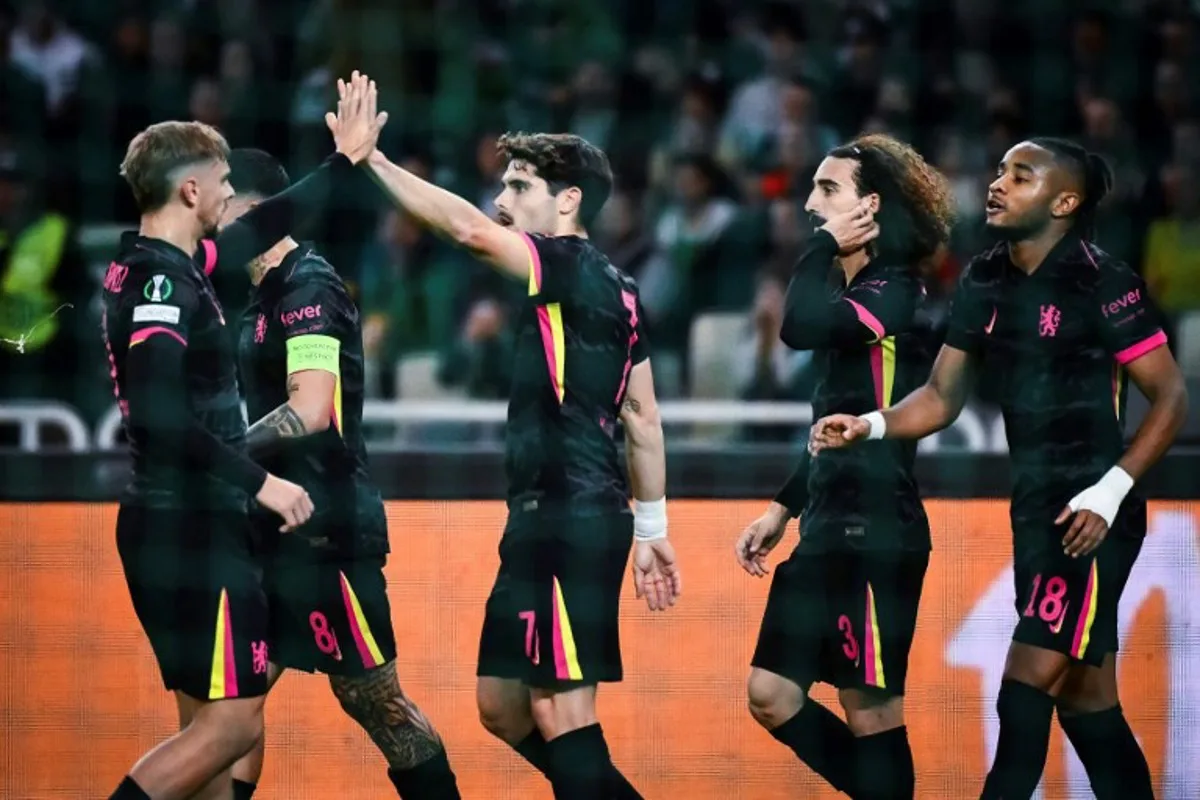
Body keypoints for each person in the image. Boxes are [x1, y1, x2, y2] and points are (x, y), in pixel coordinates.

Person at [811, 138, 1190, 800]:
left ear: (1064, 202)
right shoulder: (985, 276)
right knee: (1085, 700)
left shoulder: (1102, 281)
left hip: (1092, 517)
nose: (997, 183)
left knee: (1022, 691)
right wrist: (871, 424)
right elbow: (940, 398)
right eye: (999, 171)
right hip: (1032, 509)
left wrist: (1111, 491)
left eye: (1021, 175)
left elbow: (1171, 398)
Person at [340, 108, 682, 797]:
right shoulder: (621, 286)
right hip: (556, 515)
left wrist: (373, 161)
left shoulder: (564, 263)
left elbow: (466, 230)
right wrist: (651, 529)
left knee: (561, 709)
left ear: (569, 200)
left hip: (567, 513)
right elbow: (642, 416)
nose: (502, 201)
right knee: (501, 705)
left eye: (518, 185)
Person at [101, 72, 385, 800]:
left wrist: (347, 162)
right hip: (190, 527)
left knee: (209, 737)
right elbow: (160, 414)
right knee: (232, 728)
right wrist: (263, 481)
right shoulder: (161, 285)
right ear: (191, 191)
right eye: (223, 182)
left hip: (175, 524)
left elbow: (273, 218)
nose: (232, 198)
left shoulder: (174, 265)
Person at [218, 145, 461, 800]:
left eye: (219, 199)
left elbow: (312, 408)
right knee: (229, 711)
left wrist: (219, 454)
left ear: (253, 207)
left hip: (328, 537)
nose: (210, 216)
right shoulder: (257, 294)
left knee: (376, 705)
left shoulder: (310, 287)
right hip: (267, 534)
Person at [734, 134, 953, 800]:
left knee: (872, 713)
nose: (810, 204)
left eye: (828, 190)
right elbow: (839, 423)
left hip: (877, 534)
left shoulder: (896, 291)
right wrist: (783, 506)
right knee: (770, 694)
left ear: (872, 208)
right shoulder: (856, 292)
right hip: (828, 527)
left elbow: (795, 325)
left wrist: (820, 246)